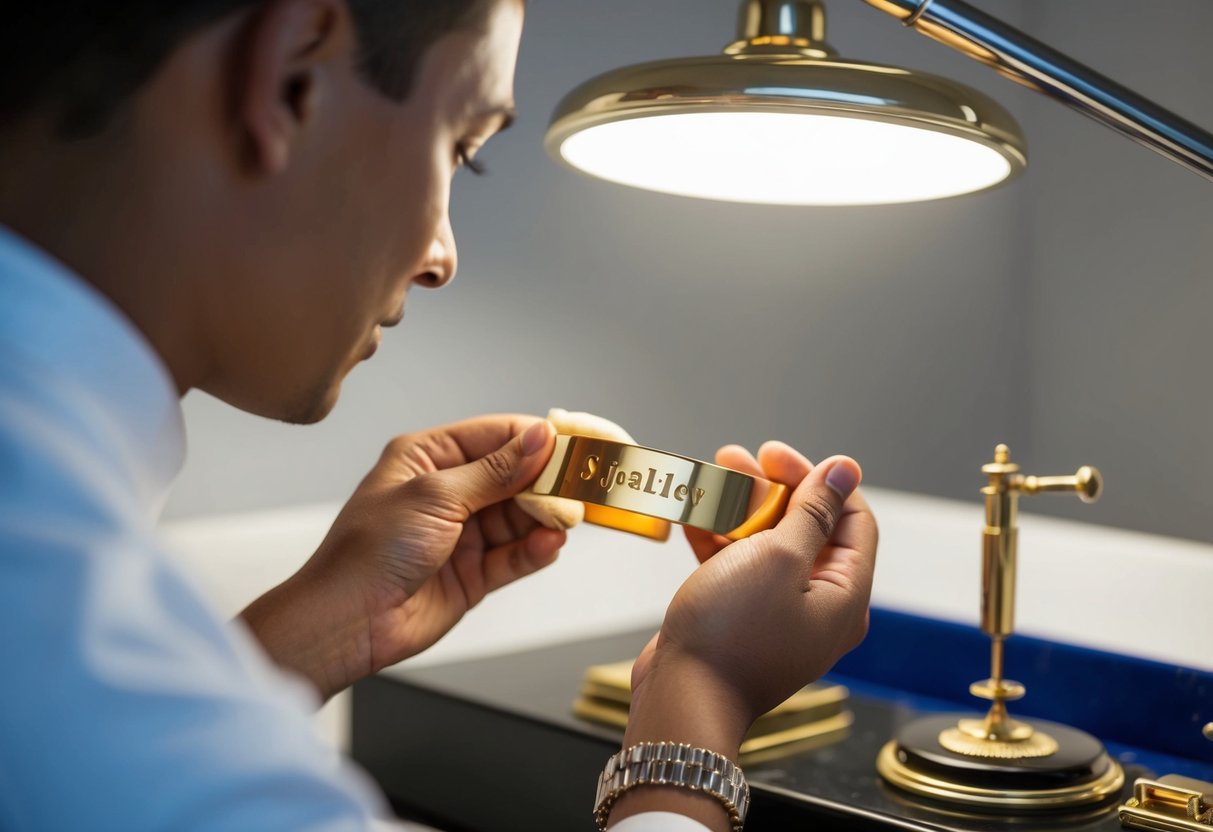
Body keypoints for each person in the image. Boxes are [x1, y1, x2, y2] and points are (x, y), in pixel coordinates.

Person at [0, 1, 878, 830]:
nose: (440, 259)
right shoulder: (62, 631)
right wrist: (701, 694)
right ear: (287, 78)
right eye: (463, 145)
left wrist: (308, 634)